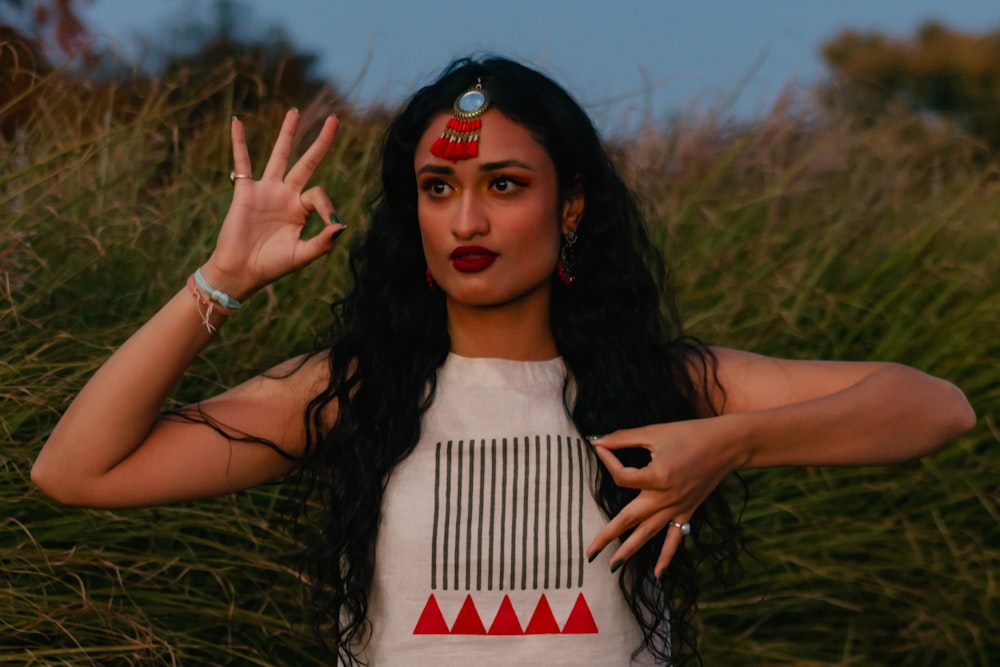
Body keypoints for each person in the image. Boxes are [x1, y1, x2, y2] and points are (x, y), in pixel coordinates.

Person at [32, 56, 975, 666]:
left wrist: (731, 442)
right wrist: (222, 278)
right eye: (438, 187)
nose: (469, 219)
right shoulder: (348, 391)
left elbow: (934, 406)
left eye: (505, 185)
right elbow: (76, 470)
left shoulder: (670, 386)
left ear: (570, 209)